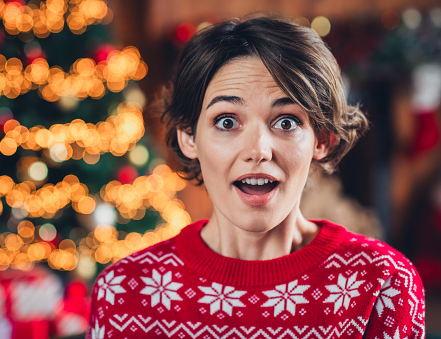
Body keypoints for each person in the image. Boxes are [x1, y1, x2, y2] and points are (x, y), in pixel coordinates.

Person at [87, 14, 425, 338]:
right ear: (188, 137)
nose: (258, 150)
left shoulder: (383, 283)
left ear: (322, 139)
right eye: (226, 121)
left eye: (286, 122)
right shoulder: (123, 294)